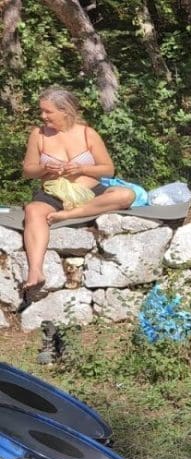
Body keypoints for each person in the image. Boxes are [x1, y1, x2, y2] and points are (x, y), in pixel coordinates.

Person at [20, 87, 135, 303]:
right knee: (33, 210)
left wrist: (82, 169)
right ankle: (35, 270)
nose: (43, 116)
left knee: (125, 195)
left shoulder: (87, 133)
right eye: (41, 111)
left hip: (90, 192)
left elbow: (108, 169)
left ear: (65, 111)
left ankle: (69, 215)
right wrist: (45, 168)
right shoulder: (38, 135)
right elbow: (28, 170)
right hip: (54, 193)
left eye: (48, 111)